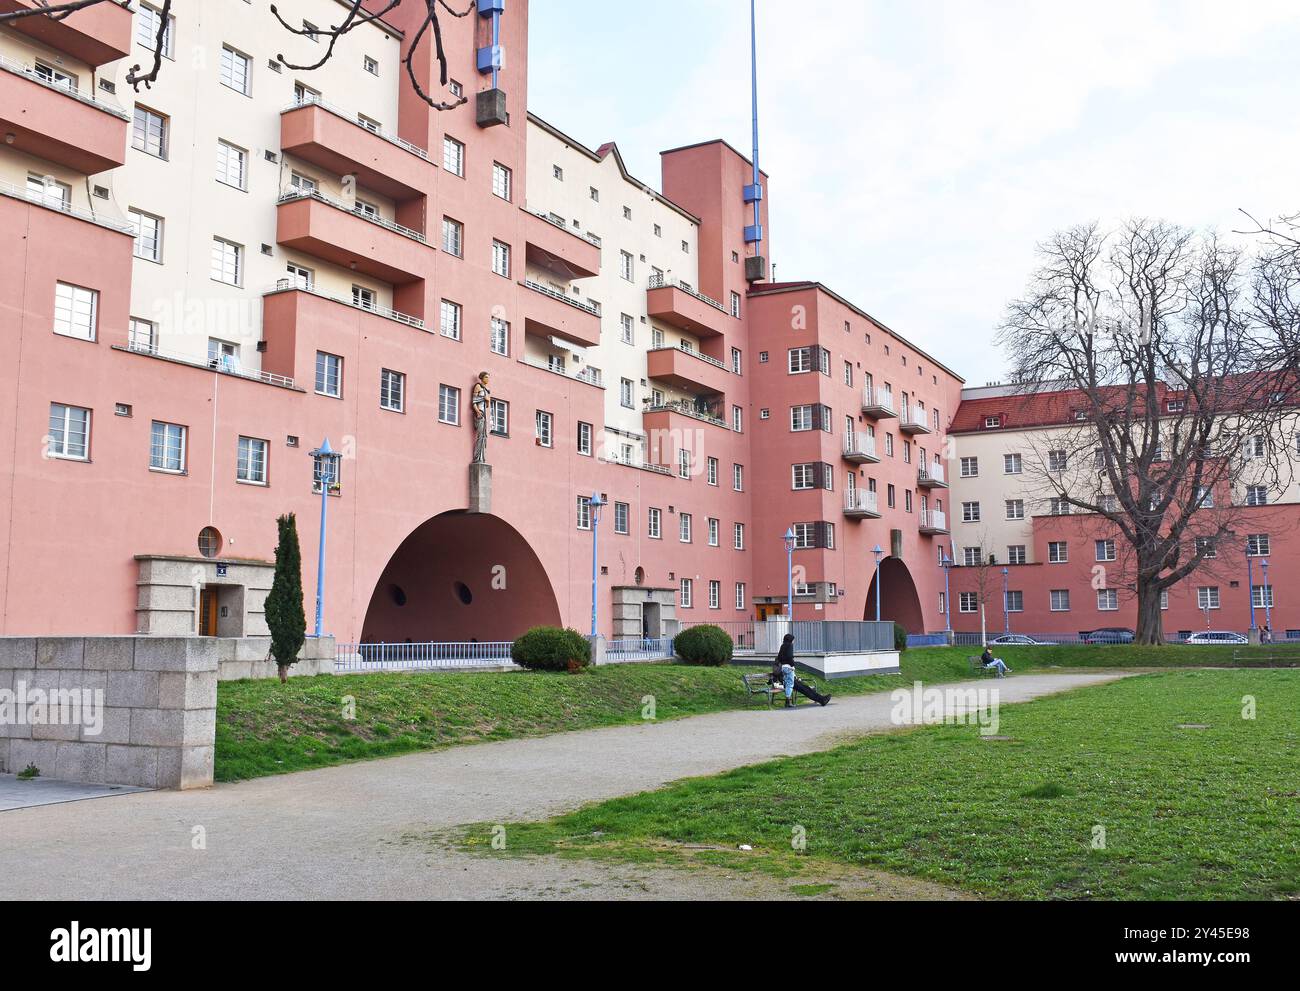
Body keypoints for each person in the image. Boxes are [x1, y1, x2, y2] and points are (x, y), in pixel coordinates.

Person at [770, 634, 832, 708]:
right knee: (805, 689)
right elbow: (788, 661)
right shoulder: (787, 649)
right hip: (785, 678)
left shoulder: (782, 651)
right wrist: (792, 665)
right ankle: (822, 700)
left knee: (805, 688)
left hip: (785, 677)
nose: (794, 641)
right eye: (793, 640)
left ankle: (821, 699)